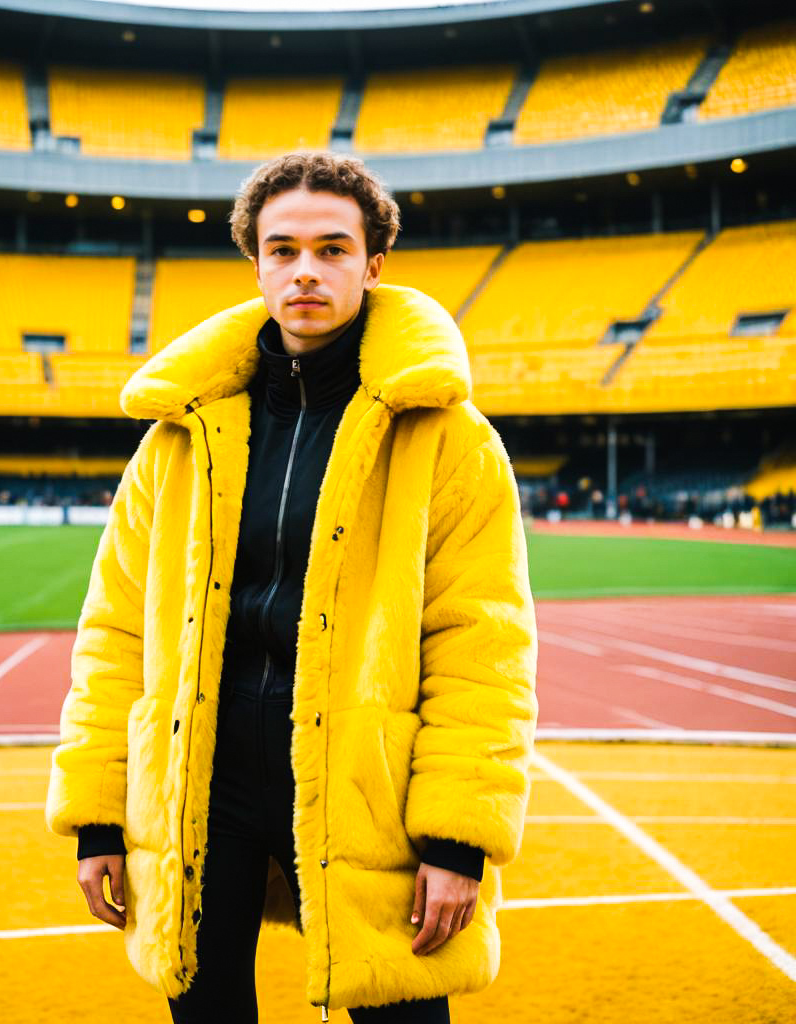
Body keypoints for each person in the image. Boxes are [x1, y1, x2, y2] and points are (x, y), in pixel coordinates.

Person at [45, 152, 538, 1022]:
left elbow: (482, 643)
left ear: (373, 264)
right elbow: (116, 634)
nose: (305, 269)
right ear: (257, 263)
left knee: (403, 1015)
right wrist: (98, 818)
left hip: (366, 789)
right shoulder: (177, 437)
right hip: (203, 780)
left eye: (332, 248)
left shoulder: (450, 439)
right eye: (282, 249)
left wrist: (459, 837)